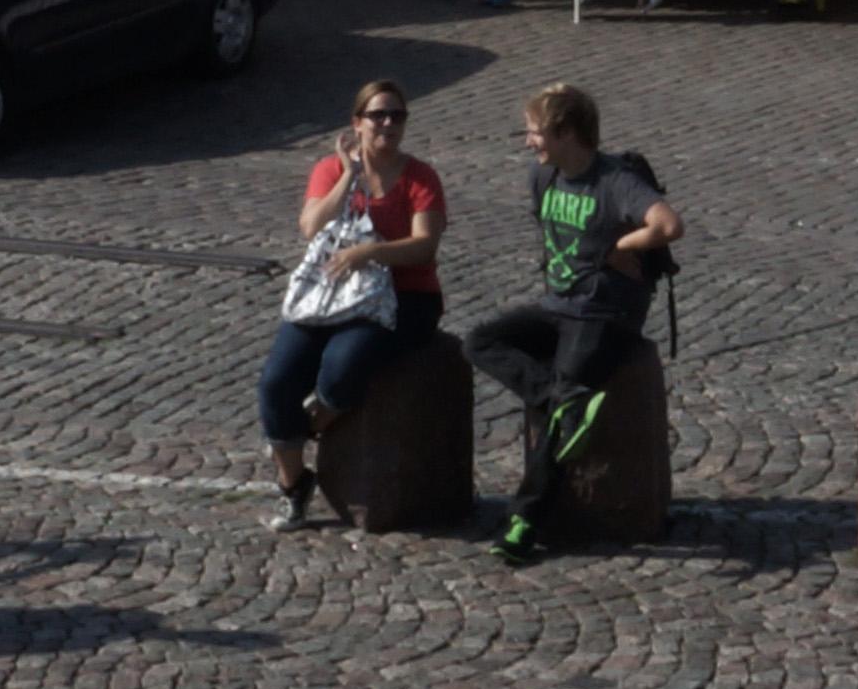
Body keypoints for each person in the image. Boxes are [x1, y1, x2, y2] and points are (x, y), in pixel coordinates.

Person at [455, 81, 674, 564]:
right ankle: (559, 398)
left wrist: (621, 248)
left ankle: (525, 521)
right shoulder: (543, 179)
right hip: (558, 305)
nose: (528, 141)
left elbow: (669, 225)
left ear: (565, 133)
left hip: (603, 312)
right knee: (479, 342)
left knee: (562, 412)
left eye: (534, 132)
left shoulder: (615, 180)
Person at [258, 80, 446, 530]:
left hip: (403, 297)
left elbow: (424, 248)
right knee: (276, 381)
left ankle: (309, 425)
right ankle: (293, 485)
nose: (387, 124)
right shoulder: (329, 170)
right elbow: (309, 227)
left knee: (342, 369)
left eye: (396, 116)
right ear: (356, 124)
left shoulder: (421, 178)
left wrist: (369, 253)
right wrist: (348, 176)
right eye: (378, 115)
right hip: (331, 297)